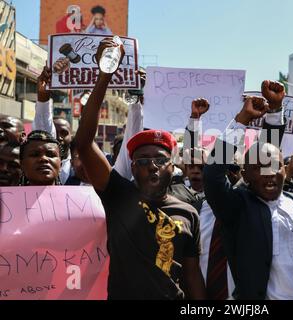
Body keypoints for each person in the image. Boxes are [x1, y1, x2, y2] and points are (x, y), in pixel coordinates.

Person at [75, 38, 205, 300]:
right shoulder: (117, 194)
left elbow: (192, 275)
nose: (151, 167)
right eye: (142, 162)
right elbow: (84, 143)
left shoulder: (189, 213)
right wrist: (105, 75)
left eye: (159, 160)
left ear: (173, 166)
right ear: (132, 169)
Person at [203, 81, 293, 300]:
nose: (268, 173)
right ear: (245, 175)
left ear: (285, 171)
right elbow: (212, 175)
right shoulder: (238, 208)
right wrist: (242, 120)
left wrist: (276, 110)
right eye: (258, 168)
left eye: (274, 166)